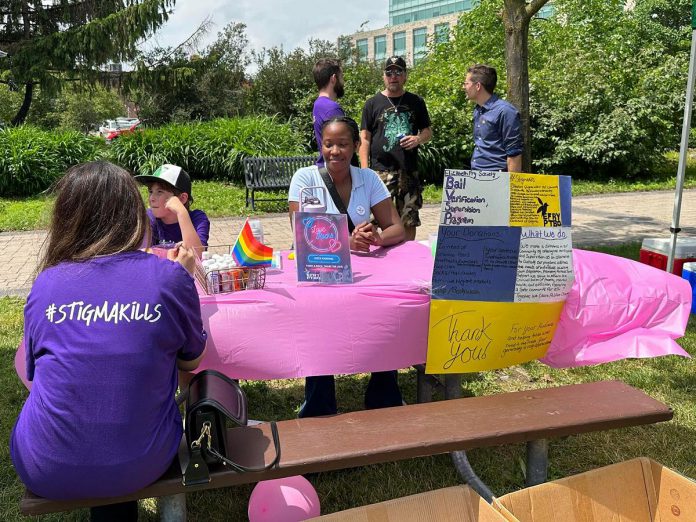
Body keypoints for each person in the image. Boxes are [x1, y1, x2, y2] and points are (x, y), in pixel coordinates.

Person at [10, 161, 207, 521]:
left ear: (67, 216)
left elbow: (34, 373)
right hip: (142, 460)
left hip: (44, 463)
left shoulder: (46, 283)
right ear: (134, 212)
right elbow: (191, 361)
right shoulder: (170, 278)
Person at [288, 116, 405, 417]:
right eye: (328, 144)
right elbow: (300, 232)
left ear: (356, 146)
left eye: (342, 144)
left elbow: (397, 228)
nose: (335, 151)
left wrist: (376, 237)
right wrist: (345, 242)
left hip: (366, 275)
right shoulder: (304, 178)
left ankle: (384, 394)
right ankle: (319, 402)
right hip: (320, 273)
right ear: (321, 145)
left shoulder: (368, 179)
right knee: (319, 326)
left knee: (383, 316)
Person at [360, 55, 432, 242]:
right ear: (383, 76)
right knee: (375, 219)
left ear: (405, 75)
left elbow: (427, 132)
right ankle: (378, 259)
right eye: (389, 72)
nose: (393, 76)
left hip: (408, 171)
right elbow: (364, 138)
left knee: (409, 218)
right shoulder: (372, 103)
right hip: (380, 171)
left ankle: (406, 261)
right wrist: (364, 170)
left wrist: (417, 139)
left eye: (398, 71)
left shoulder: (416, 101)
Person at [463, 64, 523, 172]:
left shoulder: (505, 111)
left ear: (478, 86)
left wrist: (511, 186)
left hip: (497, 180)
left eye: (466, 83)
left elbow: (514, 154)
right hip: (477, 176)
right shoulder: (478, 110)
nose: (463, 87)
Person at [135, 163, 210, 251]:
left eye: (160, 192)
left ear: (182, 198)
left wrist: (181, 212)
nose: (151, 198)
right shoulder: (149, 218)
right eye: (151, 191)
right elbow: (142, 254)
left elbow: (197, 254)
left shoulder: (198, 218)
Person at [312, 58, 346, 167]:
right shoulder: (332, 108)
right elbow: (345, 145)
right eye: (341, 77)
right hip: (336, 172)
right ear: (333, 79)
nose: (343, 82)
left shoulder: (318, 105)